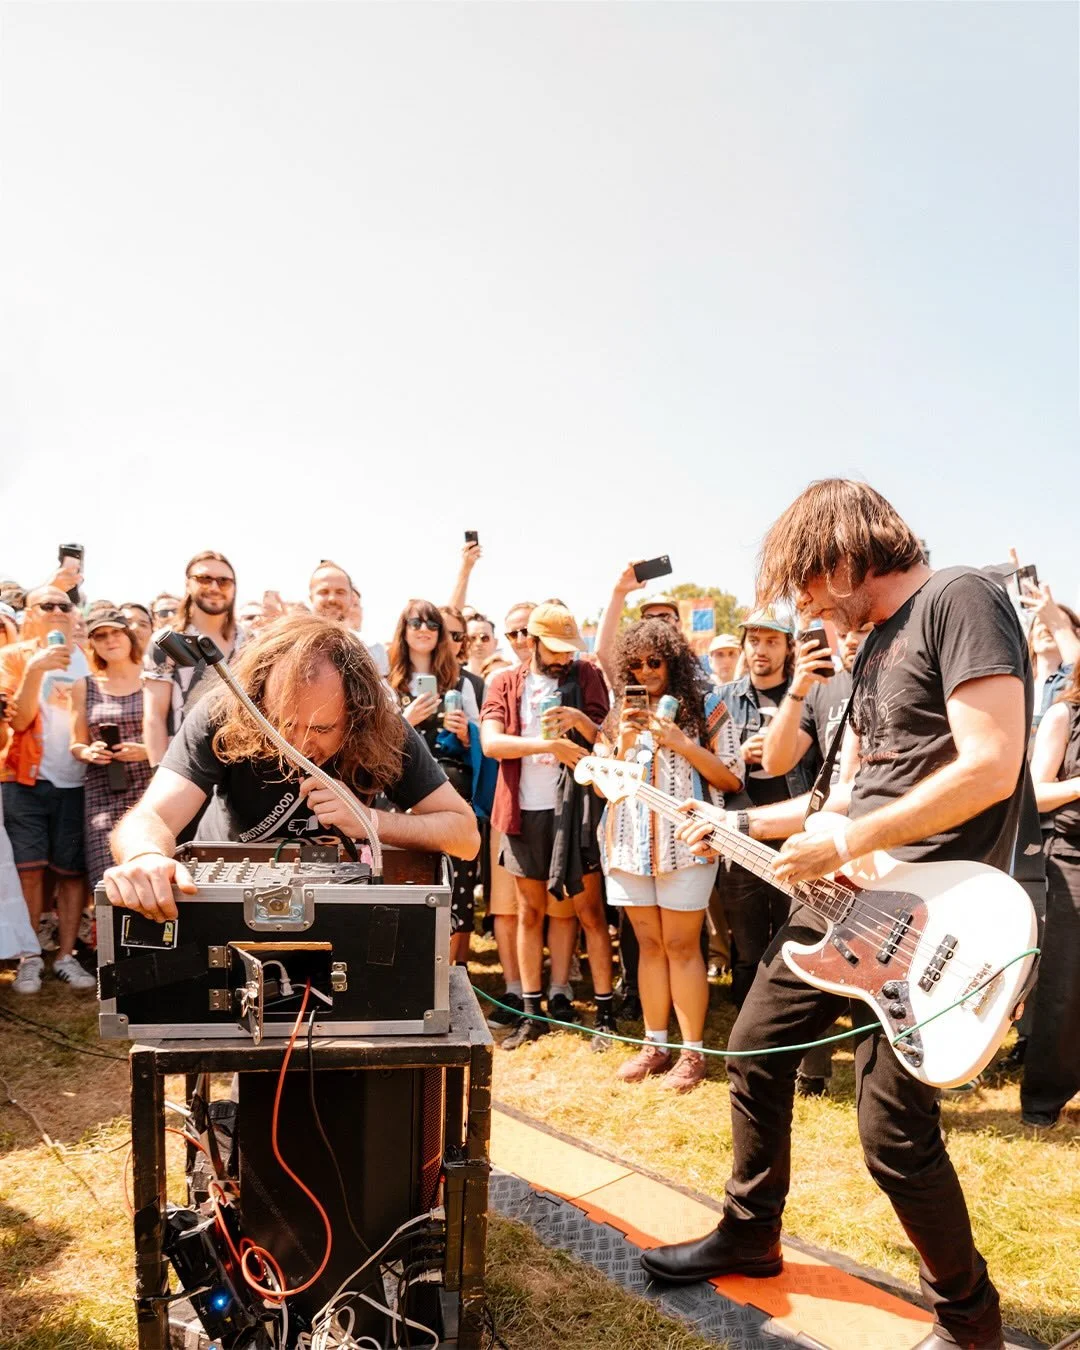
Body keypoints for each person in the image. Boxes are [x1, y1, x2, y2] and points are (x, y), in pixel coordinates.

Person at [643, 479, 1030, 1350]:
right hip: (841, 905)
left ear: (846, 557)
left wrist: (848, 835)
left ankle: (972, 1324)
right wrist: (733, 823)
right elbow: (836, 800)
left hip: (931, 916)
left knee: (893, 1132)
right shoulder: (869, 652)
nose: (807, 604)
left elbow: (992, 763)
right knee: (754, 1049)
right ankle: (752, 1231)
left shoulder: (959, 597)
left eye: (809, 583)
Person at [103, 615, 478, 921]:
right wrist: (144, 856)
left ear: (358, 716)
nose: (297, 744)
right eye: (282, 725)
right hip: (230, 902)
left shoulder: (386, 728)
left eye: (321, 728)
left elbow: (465, 836)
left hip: (338, 902)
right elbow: (152, 815)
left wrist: (369, 820)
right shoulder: (225, 712)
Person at [598, 619, 743, 1092]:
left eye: (654, 662)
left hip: (687, 845)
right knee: (649, 945)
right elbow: (602, 782)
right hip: (628, 844)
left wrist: (682, 743)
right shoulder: (621, 711)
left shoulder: (708, 704)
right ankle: (654, 1044)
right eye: (635, 664)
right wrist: (622, 741)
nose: (645, 671)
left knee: (682, 946)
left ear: (674, 661)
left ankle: (692, 1052)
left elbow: (732, 778)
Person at [481, 603, 616, 1051]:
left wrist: (580, 723)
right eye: (553, 649)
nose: (561, 659)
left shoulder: (587, 675)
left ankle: (605, 1014)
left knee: (590, 913)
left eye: (567, 650)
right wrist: (548, 744)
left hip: (575, 810)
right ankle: (531, 1011)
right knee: (529, 913)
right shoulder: (504, 681)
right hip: (522, 810)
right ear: (531, 642)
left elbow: (609, 737)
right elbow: (491, 743)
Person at [715, 607, 819, 1010]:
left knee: (796, 931)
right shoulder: (722, 698)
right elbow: (707, 764)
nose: (761, 649)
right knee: (746, 938)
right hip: (740, 831)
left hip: (795, 832)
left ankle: (788, 1021)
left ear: (788, 647)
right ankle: (748, 1024)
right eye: (754, 640)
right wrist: (737, 756)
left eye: (772, 641)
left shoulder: (807, 691)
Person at [0, 585, 96, 992]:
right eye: (48, 605)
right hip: (26, 778)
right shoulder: (11, 658)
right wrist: (36, 668)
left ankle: (66, 956)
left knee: (71, 872)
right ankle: (29, 956)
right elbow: (17, 723)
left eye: (65, 605)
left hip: (77, 779)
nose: (58, 610)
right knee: (29, 871)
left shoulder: (88, 659)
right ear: (29, 614)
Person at [387, 599, 482, 965]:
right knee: (406, 882)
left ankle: (456, 975)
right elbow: (373, 739)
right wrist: (404, 718)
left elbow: (481, 743)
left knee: (456, 884)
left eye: (432, 624)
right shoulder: (388, 682)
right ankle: (411, 968)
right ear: (404, 629)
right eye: (416, 622)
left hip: (450, 792)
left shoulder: (459, 681)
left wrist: (467, 732)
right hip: (400, 796)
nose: (424, 629)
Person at [1021, 663, 1080, 1128]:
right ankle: (1044, 1101)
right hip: (1072, 861)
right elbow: (1035, 794)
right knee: (1063, 986)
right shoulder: (1065, 716)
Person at [69, 610, 153, 894]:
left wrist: (146, 751)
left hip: (149, 786)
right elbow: (76, 743)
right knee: (107, 877)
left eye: (115, 632)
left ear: (128, 635)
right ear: (93, 643)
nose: (109, 640)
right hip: (104, 790)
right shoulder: (85, 684)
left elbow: (172, 737)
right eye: (100, 635)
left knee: (149, 869)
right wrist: (89, 752)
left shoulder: (152, 679)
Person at [143, 551, 244, 766]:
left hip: (241, 764)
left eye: (224, 581)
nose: (215, 587)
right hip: (185, 765)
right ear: (188, 584)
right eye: (204, 579)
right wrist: (158, 771)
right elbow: (154, 716)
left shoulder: (251, 641)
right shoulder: (167, 642)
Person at [464, 614, 499, 684]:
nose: (478, 643)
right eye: (472, 638)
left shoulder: (505, 674)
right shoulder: (457, 677)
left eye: (485, 638)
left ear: (495, 642)